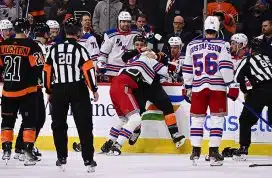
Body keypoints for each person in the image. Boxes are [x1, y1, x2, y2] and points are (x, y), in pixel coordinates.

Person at [182, 16, 239, 166]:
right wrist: (231, 84)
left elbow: (187, 68)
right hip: (217, 87)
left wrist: (187, 86)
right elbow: (226, 65)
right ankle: (213, 153)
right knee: (217, 119)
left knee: (197, 119)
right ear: (218, 29)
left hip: (198, 87)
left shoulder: (191, 45)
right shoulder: (222, 44)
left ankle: (195, 151)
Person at [43, 18, 98, 172]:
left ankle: (61, 157)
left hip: (58, 89)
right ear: (79, 32)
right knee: (84, 125)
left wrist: (48, 90)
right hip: (78, 89)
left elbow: (47, 71)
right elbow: (88, 70)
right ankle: (88, 159)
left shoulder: (54, 49)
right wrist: (94, 89)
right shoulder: (80, 49)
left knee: (58, 125)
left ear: (65, 32)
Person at [102, 49, 169, 156]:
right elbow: (164, 71)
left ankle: (109, 142)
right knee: (136, 119)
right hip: (124, 86)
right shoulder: (149, 59)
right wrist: (159, 59)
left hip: (114, 86)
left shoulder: (132, 60)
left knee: (124, 119)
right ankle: (118, 145)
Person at [0, 18, 44, 166]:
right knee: (29, 122)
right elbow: (39, 68)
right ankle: (27, 151)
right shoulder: (32, 45)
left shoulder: (3, 45)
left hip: (7, 91)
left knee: (7, 121)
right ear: (27, 30)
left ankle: (6, 149)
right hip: (27, 91)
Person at [13, 22, 50, 161]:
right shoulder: (37, 46)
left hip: (30, 87)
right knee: (37, 119)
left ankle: (21, 147)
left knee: (31, 119)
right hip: (33, 88)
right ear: (45, 34)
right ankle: (24, 147)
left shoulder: (32, 45)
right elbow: (42, 68)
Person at [233, 38, 272, 161]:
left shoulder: (247, 60)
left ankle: (243, 148)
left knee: (245, 120)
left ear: (250, 49)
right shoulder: (268, 58)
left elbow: (237, 78)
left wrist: (246, 92)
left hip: (260, 91)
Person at [96, 11, 140, 82]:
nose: (126, 24)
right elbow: (103, 54)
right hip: (113, 71)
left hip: (129, 71)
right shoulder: (110, 34)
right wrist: (101, 64)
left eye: (128, 22)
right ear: (119, 22)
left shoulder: (137, 34)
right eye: (123, 21)